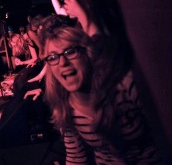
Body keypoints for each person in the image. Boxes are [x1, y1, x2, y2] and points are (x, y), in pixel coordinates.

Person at [40, 14, 162, 164]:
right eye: (53, 57)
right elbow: (76, 158)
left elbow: (170, 138)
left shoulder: (125, 86)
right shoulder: (64, 106)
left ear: (87, 52)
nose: (62, 63)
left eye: (70, 51)